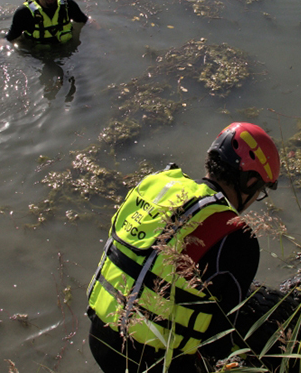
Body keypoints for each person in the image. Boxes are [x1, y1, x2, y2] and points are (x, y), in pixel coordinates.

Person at [86, 122, 280, 373]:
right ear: (251, 182)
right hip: (152, 362)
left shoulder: (157, 183)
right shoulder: (236, 235)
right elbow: (220, 340)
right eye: (260, 192)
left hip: (99, 337)